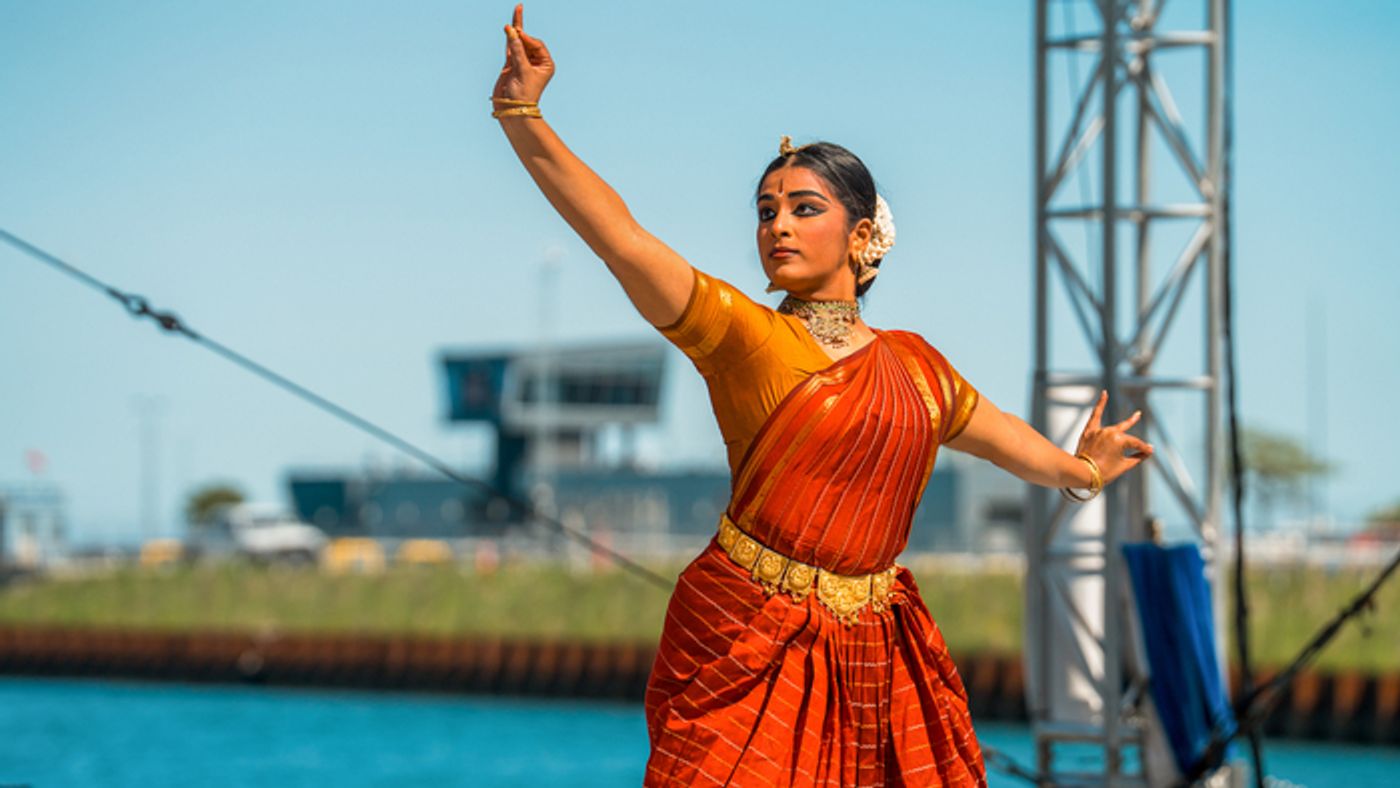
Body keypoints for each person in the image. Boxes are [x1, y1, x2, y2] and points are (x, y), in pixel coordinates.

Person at [491, 6, 1153, 785]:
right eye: (767, 211)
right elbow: (621, 239)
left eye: (805, 209)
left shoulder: (916, 367)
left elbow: (1004, 436)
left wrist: (1084, 471)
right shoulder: (742, 336)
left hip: (877, 651)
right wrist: (522, 116)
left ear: (861, 236)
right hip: (745, 639)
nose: (779, 226)